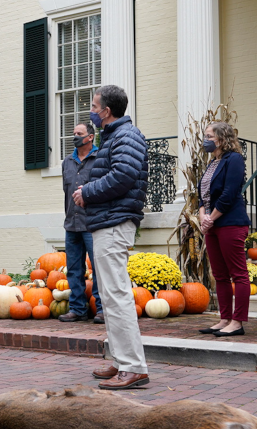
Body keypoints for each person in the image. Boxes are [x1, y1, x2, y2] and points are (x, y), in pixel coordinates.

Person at [74, 85, 150, 390]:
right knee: (109, 295)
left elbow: (123, 176)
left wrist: (87, 192)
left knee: (117, 296)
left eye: (94, 106)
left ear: (106, 111)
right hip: (107, 222)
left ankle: (134, 367)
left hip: (115, 223)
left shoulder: (126, 136)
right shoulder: (114, 137)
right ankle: (121, 361)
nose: (91, 111)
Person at [198, 122, 251, 337]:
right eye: (205, 135)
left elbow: (229, 193)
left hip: (230, 222)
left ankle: (237, 322)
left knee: (238, 274)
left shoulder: (234, 159)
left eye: (209, 136)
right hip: (212, 224)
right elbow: (203, 195)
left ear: (221, 138)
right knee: (219, 275)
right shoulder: (212, 163)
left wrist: (211, 218)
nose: (206, 139)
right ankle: (224, 318)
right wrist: (203, 216)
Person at [59, 122, 103, 323]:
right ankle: (77, 309)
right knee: (74, 269)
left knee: (98, 268)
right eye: (73, 133)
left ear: (91, 137)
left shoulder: (101, 159)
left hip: (92, 223)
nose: (75, 136)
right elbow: (66, 191)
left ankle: (102, 309)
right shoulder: (67, 161)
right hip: (71, 223)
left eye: (79, 133)